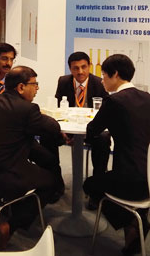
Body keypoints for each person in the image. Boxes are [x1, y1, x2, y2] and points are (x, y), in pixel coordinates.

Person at [0, 66, 64, 249]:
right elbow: (53, 128)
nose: (37, 88)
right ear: (21, 87)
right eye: (34, 84)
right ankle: (10, 225)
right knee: (52, 182)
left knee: (37, 159)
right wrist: (42, 115)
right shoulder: (28, 110)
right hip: (6, 176)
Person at [83, 54, 150, 255]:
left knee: (89, 185)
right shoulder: (146, 97)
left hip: (129, 178)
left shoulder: (114, 100)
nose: (102, 81)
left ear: (115, 74)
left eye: (104, 76)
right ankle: (133, 230)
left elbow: (93, 130)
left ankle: (133, 222)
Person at [55, 51, 109, 208]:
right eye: (75, 68)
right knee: (47, 136)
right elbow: (59, 108)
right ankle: (55, 183)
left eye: (84, 67)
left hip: (91, 129)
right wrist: (62, 131)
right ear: (70, 69)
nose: (80, 72)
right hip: (68, 127)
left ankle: (96, 191)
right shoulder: (63, 81)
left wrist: (90, 131)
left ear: (89, 66)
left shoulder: (99, 83)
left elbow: (104, 114)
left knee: (104, 139)